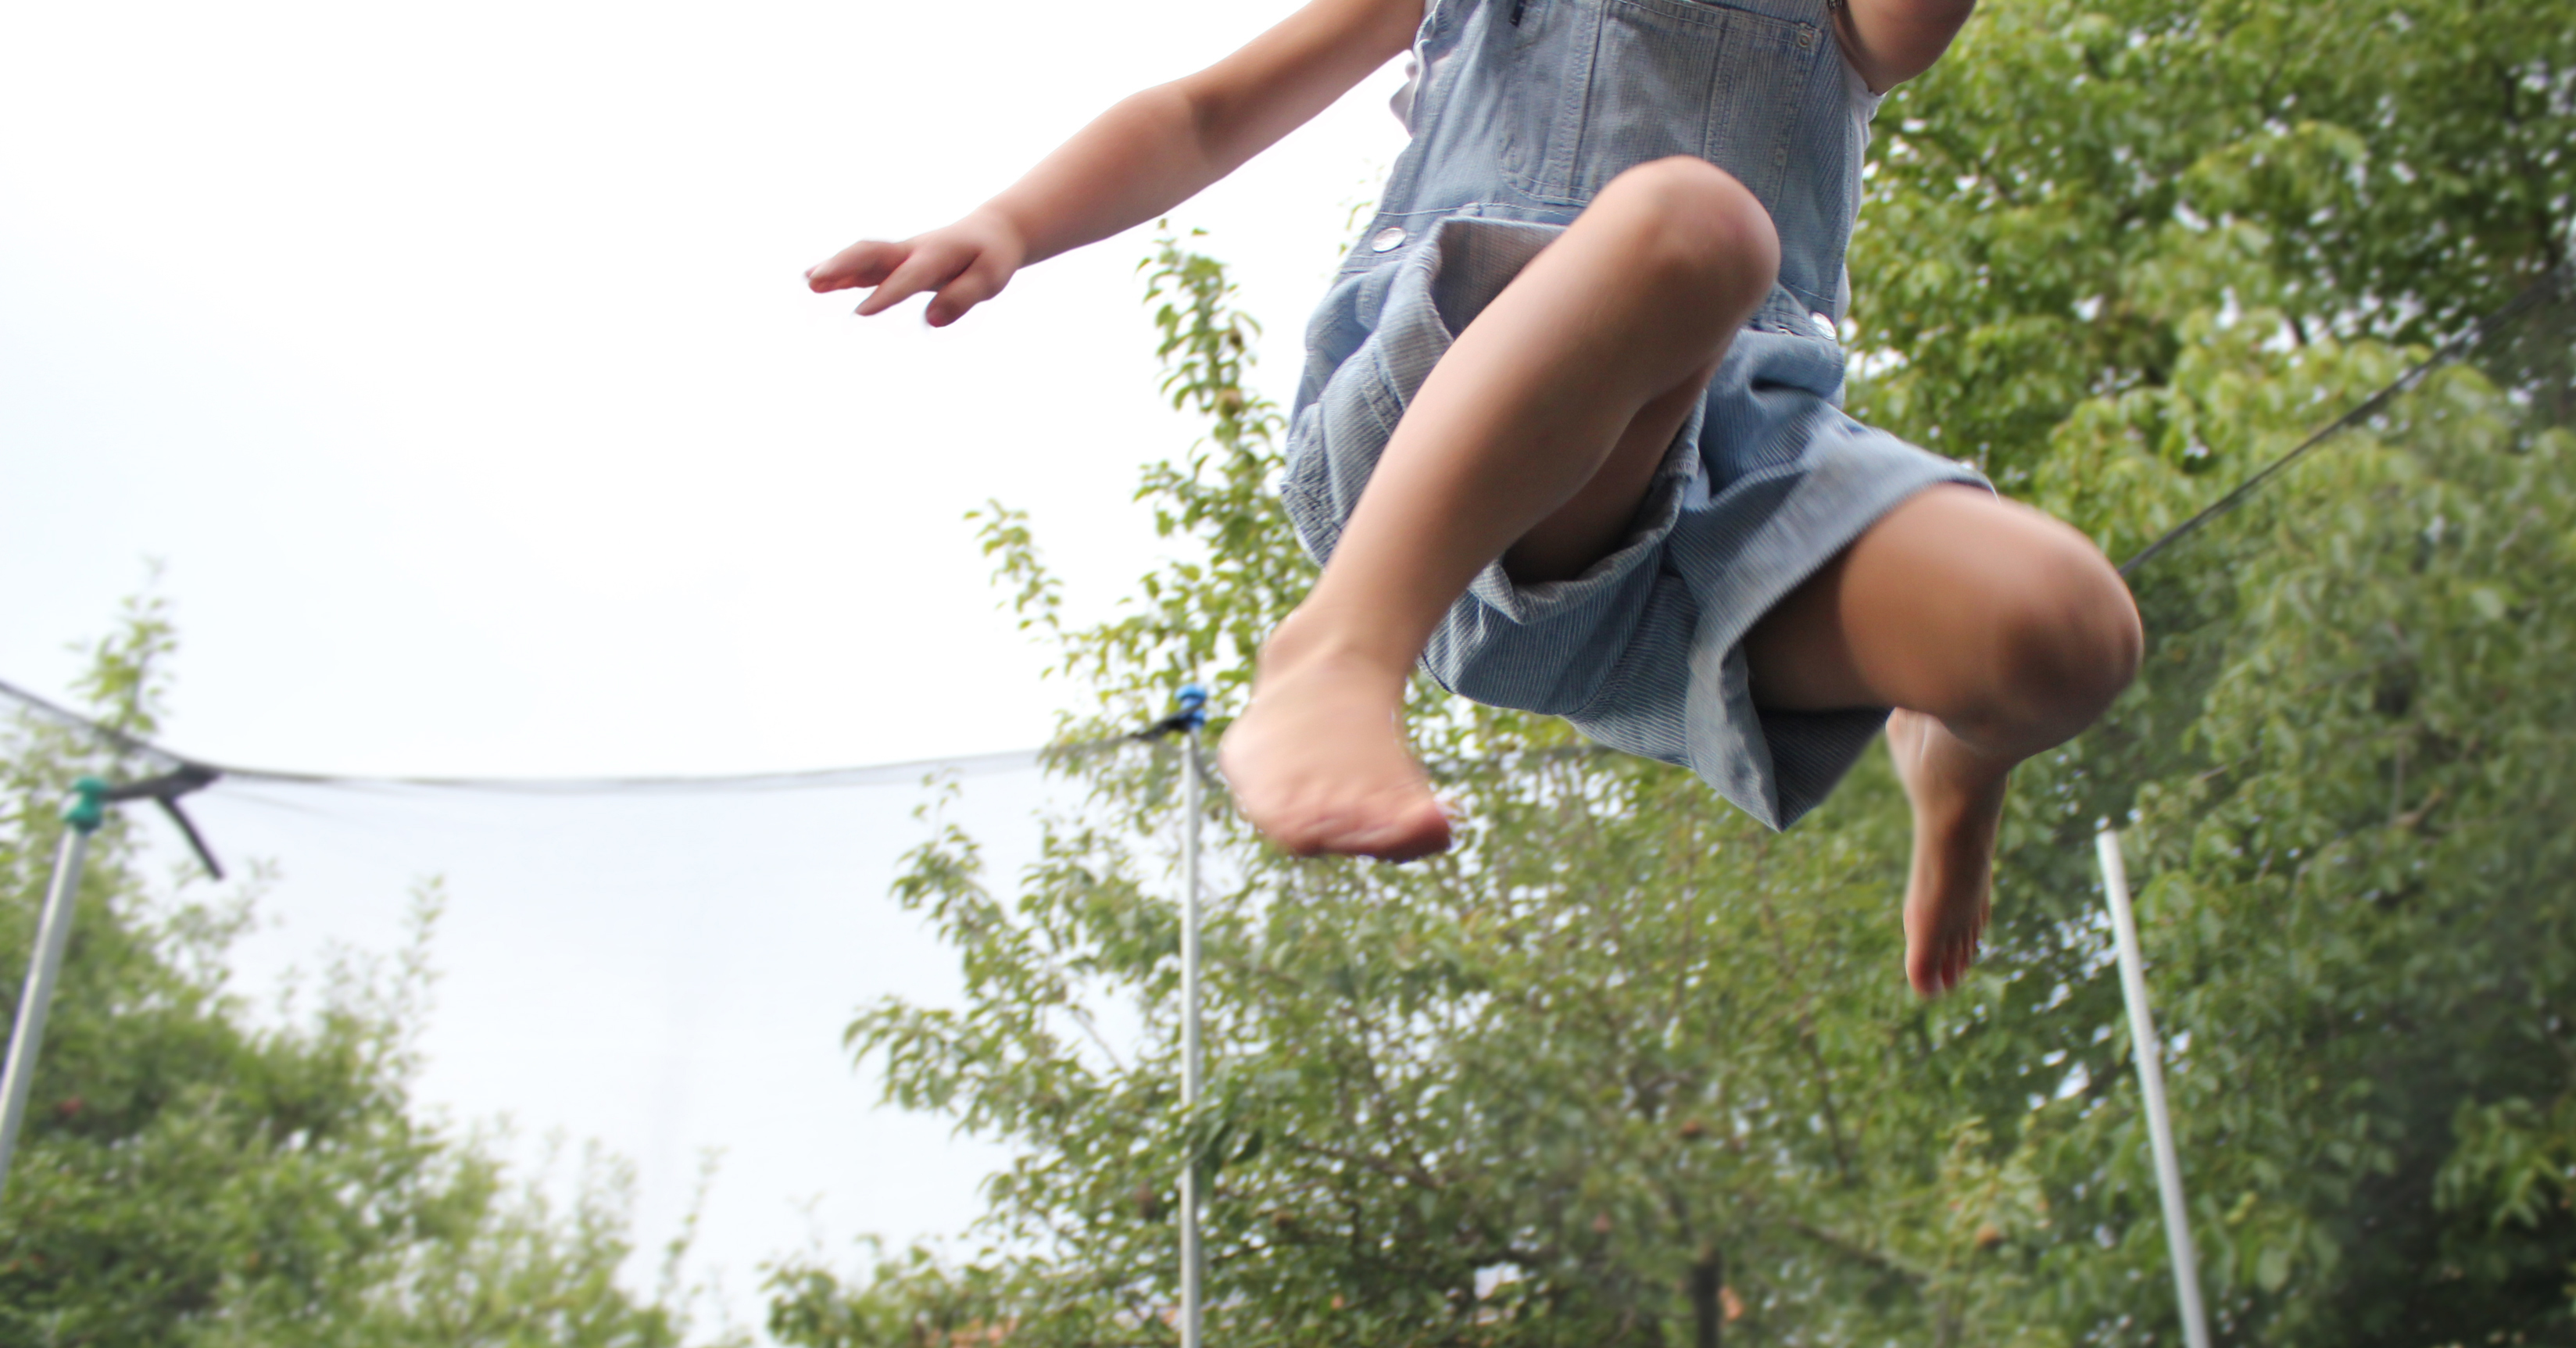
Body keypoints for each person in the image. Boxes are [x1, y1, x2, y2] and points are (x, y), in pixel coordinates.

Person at [809, 0, 2141, 996]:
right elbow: (1208, 112)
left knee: (2067, 632)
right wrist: (1013, 223)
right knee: (1696, 227)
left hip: (1731, 480)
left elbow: (1905, 33)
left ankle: (1957, 750)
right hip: (1459, 448)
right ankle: (1338, 651)